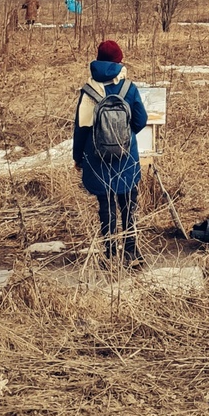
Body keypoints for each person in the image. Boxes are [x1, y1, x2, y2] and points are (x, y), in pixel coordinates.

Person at [71, 40, 148, 265]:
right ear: (118, 60)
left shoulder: (88, 91)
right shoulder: (129, 87)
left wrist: (78, 158)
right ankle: (131, 252)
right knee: (128, 203)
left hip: (97, 157)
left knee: (106, 205)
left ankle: (111, 253)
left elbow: (81, 128)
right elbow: (141, 120)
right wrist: (125, 135)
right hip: (126, 155)